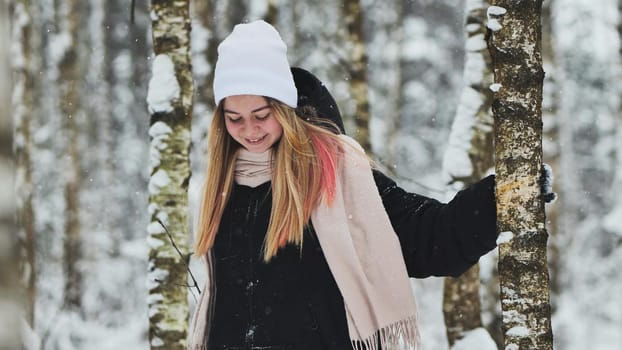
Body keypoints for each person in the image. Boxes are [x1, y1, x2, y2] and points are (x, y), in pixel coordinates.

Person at [188, 20, 498, 350]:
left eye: (261, 114)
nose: (249, 129)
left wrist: (502, 197)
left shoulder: (334, 175)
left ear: (283, 107)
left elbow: (430, 236)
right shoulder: (222, 185)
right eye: (234, 118)